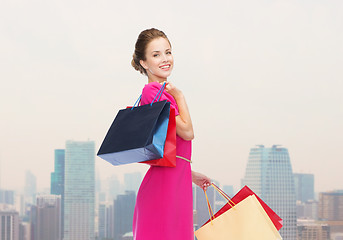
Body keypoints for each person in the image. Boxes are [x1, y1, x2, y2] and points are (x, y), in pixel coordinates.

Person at [131, 28, 211, 240]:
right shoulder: (153, 92)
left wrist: (190, 174)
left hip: (175, 182)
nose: (165, 59)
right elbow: (187, 132)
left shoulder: (163, 93)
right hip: (163, 190)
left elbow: (168, 148)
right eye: (156, 55)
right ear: (144, 63)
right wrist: (180, 95)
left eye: (168, 52)